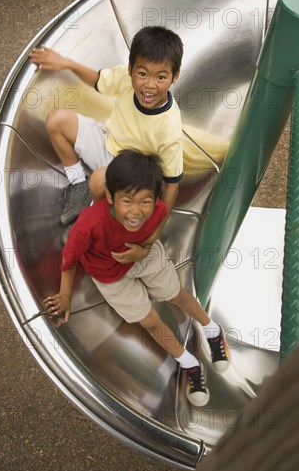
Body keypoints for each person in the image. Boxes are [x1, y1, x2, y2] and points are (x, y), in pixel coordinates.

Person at [43, 150, 230, 407]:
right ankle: (190, 364)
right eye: (127, 201)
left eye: (145, 202)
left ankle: (212, 330)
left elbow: (160, 216)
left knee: (176, 294)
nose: (136, 211)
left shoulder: (156, 210)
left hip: (144, 254)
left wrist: (145, 248)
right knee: (150, 321)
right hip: (109, 275)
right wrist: (65, 295)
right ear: (110, 196)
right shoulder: (90, 223)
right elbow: (70, 257)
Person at [30, 26, 184, 259]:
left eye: (161, 77)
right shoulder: (124, 78)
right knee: (57, 121)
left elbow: (172, 185)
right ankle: (77, 183)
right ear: (131, 69)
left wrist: (152, 237)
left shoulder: (168, 126)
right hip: (109, 141)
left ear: (175, 76)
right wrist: (66, 63)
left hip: (134, 170)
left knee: (100, 179)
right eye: (142, 74)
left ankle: (91, 224)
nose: (149, 85)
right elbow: (98, 81)